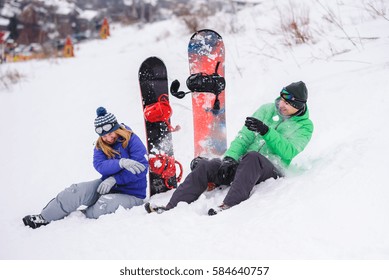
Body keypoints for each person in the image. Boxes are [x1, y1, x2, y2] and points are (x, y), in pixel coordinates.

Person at [145, 81, 314, 215]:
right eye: (282, 100)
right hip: (246, 165)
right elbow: (244, 136)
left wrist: (266, 131)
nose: (282, 105)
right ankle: (172, 206)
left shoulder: (305, 127)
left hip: (272, 168)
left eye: (288, 104)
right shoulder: (267, 109)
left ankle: (229, 204)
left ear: (298, 107)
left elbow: (289, 151)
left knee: (253, 157)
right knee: (207, 166)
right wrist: (230, 159)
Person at [23, 107, 149, 229]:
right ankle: (45, 217)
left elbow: (142, 168)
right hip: (106, 185)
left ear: (117, 129)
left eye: (110, 134)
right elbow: (100, 165)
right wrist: (120, 163)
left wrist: (115, 179)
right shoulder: (101, 145)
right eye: (104, 136)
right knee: (75, 191)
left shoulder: (131, 139)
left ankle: (81, 215)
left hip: (133, 194)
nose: (108, 139)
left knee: (103, 205)